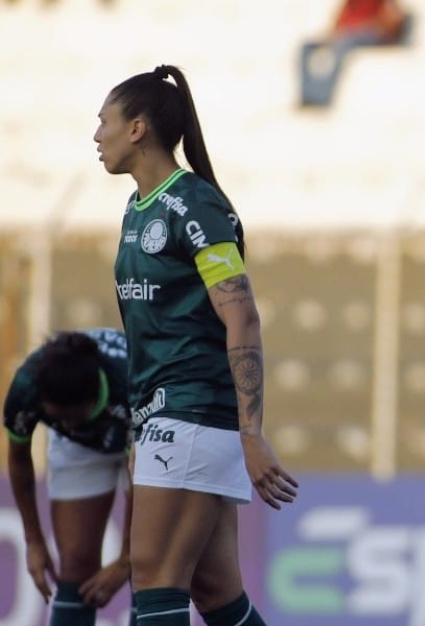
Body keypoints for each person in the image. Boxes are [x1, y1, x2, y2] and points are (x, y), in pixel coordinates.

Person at [93, 64, 298, 625]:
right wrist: (141, 420)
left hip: (193, 412)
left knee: (157, 585)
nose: (96, 136)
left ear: (137, 129)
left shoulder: (195, 206)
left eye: (103, 122)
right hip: (165, 416)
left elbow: (244, 318)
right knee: (215, 593)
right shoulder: (138, 208)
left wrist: (250, 431)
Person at [4, 328, 134, 626]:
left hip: (141, 438)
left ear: (94, 396)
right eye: (57, 419)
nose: (66, 424)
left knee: (148, 566)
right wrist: (34, 540)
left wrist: (127, 557)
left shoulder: (129, 383)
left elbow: (139, 482)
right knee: (75, 564)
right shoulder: (26, 388)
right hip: (79, 451)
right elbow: (20, 460)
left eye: (72, 418)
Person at [299, 0, 409, 107]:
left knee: (342, 48)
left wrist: (365, 27)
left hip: (369, 34)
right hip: (346, 34)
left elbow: (393, 19)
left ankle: (324, 98)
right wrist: (334, 34)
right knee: (307, 47)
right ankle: (308, 96)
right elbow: (341, 18)